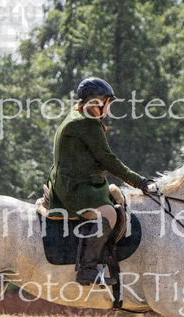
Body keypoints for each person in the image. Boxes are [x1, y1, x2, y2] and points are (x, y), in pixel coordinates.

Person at [47, 77, 150, 286]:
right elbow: (108, 160)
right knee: (109, 214)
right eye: (108, 102)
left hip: (71, 183)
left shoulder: (76, 116)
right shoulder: (87, 123)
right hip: (75, 189)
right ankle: (88, 269)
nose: (109, 108)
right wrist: (139, 182)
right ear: (97, 103)